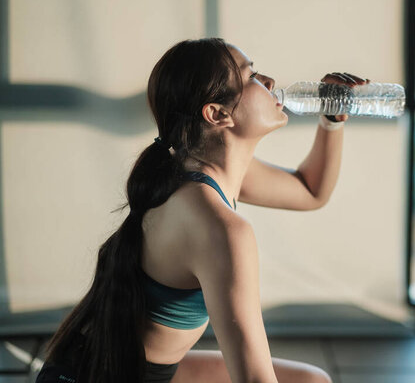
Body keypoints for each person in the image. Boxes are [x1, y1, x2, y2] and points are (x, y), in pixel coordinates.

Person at [35, 37, 368, 383]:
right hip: (95, 374)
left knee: (311, 380)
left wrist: (332, 120)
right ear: (218, 113)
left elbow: (310, 191)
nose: (268, 82)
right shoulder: (217, 226)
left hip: (133, 365)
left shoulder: (203, 169)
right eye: (251, 76)